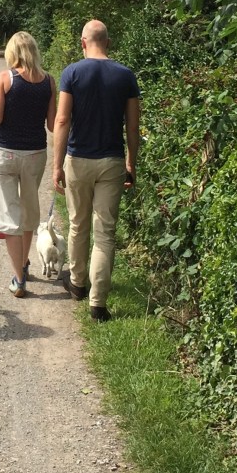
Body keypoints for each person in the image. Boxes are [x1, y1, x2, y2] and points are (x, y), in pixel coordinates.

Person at [52, 19, 141, 323]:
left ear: (82, 42)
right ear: (109, 42)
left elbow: (62, 121)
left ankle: (77, 284)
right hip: (112, 160)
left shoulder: (72, 73)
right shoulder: (126, 76)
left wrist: (56, 165)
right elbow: (132, 126)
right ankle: (98, 304)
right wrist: (131, 162)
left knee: (78, 224)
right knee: (105, 233)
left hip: (77, 160)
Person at [0, 31, 56, 298]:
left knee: (8, 214)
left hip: (5, 152)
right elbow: (51, 124)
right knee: (28, 211)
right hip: (35, 153)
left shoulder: (6, 77)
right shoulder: (48, 81)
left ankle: (19, 278)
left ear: (12, 52)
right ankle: (24, 264)